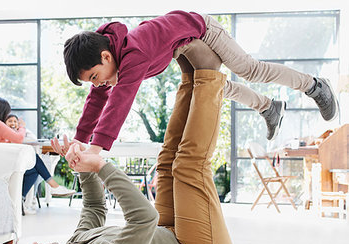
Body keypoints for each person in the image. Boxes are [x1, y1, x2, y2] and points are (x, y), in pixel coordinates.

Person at [1, 70, 235, 244]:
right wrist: (101, 165)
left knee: (166, 162)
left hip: (170, 233)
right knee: (188, 166)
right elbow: (144, 218)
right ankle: (208, 73)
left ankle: (190, 75)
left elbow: (94, 207)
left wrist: (79, 163)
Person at [62, 10, 338, 149]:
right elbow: (97, 100)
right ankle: (268, 107)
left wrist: (96, 147)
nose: (97, 85)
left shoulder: (134, 53)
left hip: (203, 31)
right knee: (208, 87)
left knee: (249, 69)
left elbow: (119, 102)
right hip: (180, 46)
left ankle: (314, 85)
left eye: (95, 77)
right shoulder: (110, 57)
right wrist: (79, 140)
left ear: (105, 57)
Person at [0, 98, 75, 211]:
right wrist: (21, 126)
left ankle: (19, 200)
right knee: (34, 159)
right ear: (2, 111)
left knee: (34, 169)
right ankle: (52, 187)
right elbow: (18, 139)